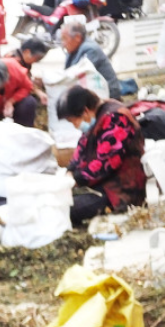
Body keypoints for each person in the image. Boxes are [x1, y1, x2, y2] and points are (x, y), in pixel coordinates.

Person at [56, 86, 145, 225]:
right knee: (58, 200)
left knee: (65, 208)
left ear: (85, 111)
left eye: (73, 120)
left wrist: (77, 179)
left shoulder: (116, 118)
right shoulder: (98, 116)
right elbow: (82, 146)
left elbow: (106, 162)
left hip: (120, 188)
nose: (74, 126)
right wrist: (71, 170)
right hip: (100, 183)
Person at [61, 20, 121, 100]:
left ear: (77, 37)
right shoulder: (73, 49)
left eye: (64, 39)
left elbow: (75, 75)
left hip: (107, 94)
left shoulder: (90, 49)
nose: (63, 43)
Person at [4, 37, 49, 104]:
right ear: (27, 52)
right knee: (30, 101)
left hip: (19, 88)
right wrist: (38, 92)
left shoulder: (25, 59)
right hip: (9, 94)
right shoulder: (13, 61)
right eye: (37, 59)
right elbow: (25, 83)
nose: (36, 61)